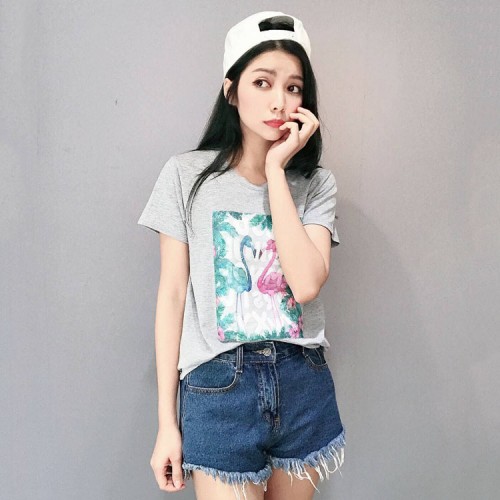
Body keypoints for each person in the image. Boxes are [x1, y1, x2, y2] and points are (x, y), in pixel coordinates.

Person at [138, 11, 346, 500]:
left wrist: (276, 171)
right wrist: (167, 423)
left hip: (302, 382)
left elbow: (306, 284)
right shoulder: (186, 177)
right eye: (262, 82)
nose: (279, 101)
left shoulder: (315, 184)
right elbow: (172, 297)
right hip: (218, 388)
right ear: (231, 91)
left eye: (294, 88)